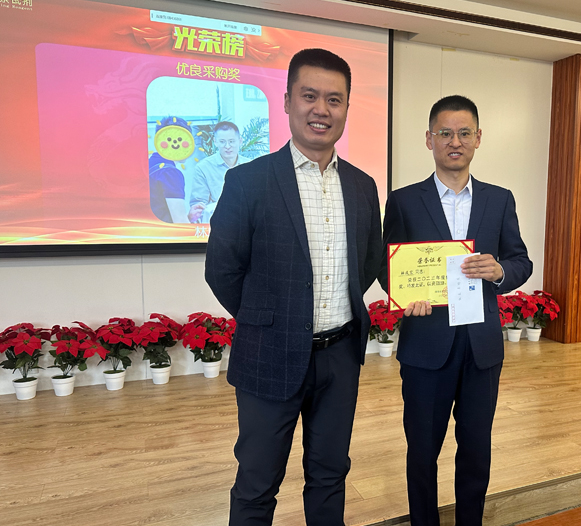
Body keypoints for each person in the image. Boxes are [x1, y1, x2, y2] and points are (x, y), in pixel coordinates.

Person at [205, 48, 383, 525]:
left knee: (330, 474)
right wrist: (267, 321)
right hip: (269, 354)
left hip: (339, 357)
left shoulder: (363, 186)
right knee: (257, 482)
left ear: (346, 108)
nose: (321, 109)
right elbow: (222, 269)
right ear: (286, 101)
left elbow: (367, 262)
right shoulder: (248, 181)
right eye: (309, 96)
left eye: (334, 99)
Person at [379, 95, 532, 526]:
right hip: (427, 346)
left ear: (478, 138)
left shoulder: (499, 200)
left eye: (464, 133)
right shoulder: (404, 201)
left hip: (481, 348)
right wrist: (405, 294)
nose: (455, 141)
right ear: (429, 139)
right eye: (445, 133)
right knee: (422, 451)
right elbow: (387, 266)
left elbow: (520, 261)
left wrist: (500, 270)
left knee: (476, 449)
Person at [189, 121, 251, 223]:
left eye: (231, 141)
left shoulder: (251, 166)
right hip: (217, 222)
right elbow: (198, 205)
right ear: (215, 142)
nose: (227, 146)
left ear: (240, 141)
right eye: (222, 142)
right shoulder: (203, 168)